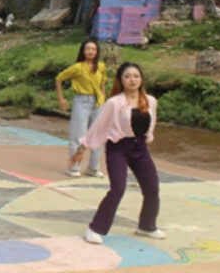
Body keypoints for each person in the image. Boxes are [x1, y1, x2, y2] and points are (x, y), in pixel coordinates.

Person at [70, 62, 165, 244]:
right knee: (118, 188)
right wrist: (83, 148)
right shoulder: (114, 103)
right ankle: (95, 229)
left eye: (136, 76)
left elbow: (151, 124)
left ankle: (146, 226)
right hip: (119, 148)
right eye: (127, 76)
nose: (132, 80)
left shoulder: (150, 101)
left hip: (140, 148)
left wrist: (148, 140)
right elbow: (99, 126)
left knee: (152, 187)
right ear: (121, 80)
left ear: (141, 79)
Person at [55, 39, 107, 178]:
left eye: (94, 49)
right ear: (83, 51)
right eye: (88, 49)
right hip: (82, 101)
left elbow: (102, 84)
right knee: (78, 136)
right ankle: (74, 168)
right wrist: (61, 99)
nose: (91, 51)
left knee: (98, 136)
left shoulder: (101, 67)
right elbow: (59, 78)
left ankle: (93, 167)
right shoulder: (77, 67)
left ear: (97, 52)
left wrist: (104, 101)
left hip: (98, 102)